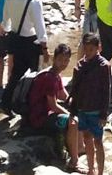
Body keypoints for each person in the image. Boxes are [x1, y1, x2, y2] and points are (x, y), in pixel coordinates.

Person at [0, 0, 49, 113]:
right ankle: (30, 106)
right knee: (34, 75)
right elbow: (40, 27)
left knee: (16, 73)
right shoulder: (35, 0)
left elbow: (6, 21)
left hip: (15, 39)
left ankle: (5, 102)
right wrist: (45, 48)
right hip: (31, 42)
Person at [27, 44, 83, 173]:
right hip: (40, 118)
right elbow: (53, 105)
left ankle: (80, 147)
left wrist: (76, 104)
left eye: (66, 60)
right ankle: (74, 161)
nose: (63, 63)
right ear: (54, 59)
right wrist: (70, 114)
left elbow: (64, 95)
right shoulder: (49, 78)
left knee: (79, 113)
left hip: (46, 113)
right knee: (73, 122)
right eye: (60, 60)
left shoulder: (56, 75)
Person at [70, 34, 111, 175]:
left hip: (96, 110)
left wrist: (104, 114)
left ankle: (100, 172)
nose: (88, 53)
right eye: (86, 49)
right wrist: (73, 108)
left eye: (91, 49)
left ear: (98, 48)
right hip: (82, 108)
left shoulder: (104, 66)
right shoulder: (80, 65)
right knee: (87, 138)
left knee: (98, 141)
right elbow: (75, 88)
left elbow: (106, 92)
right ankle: (90, 169)